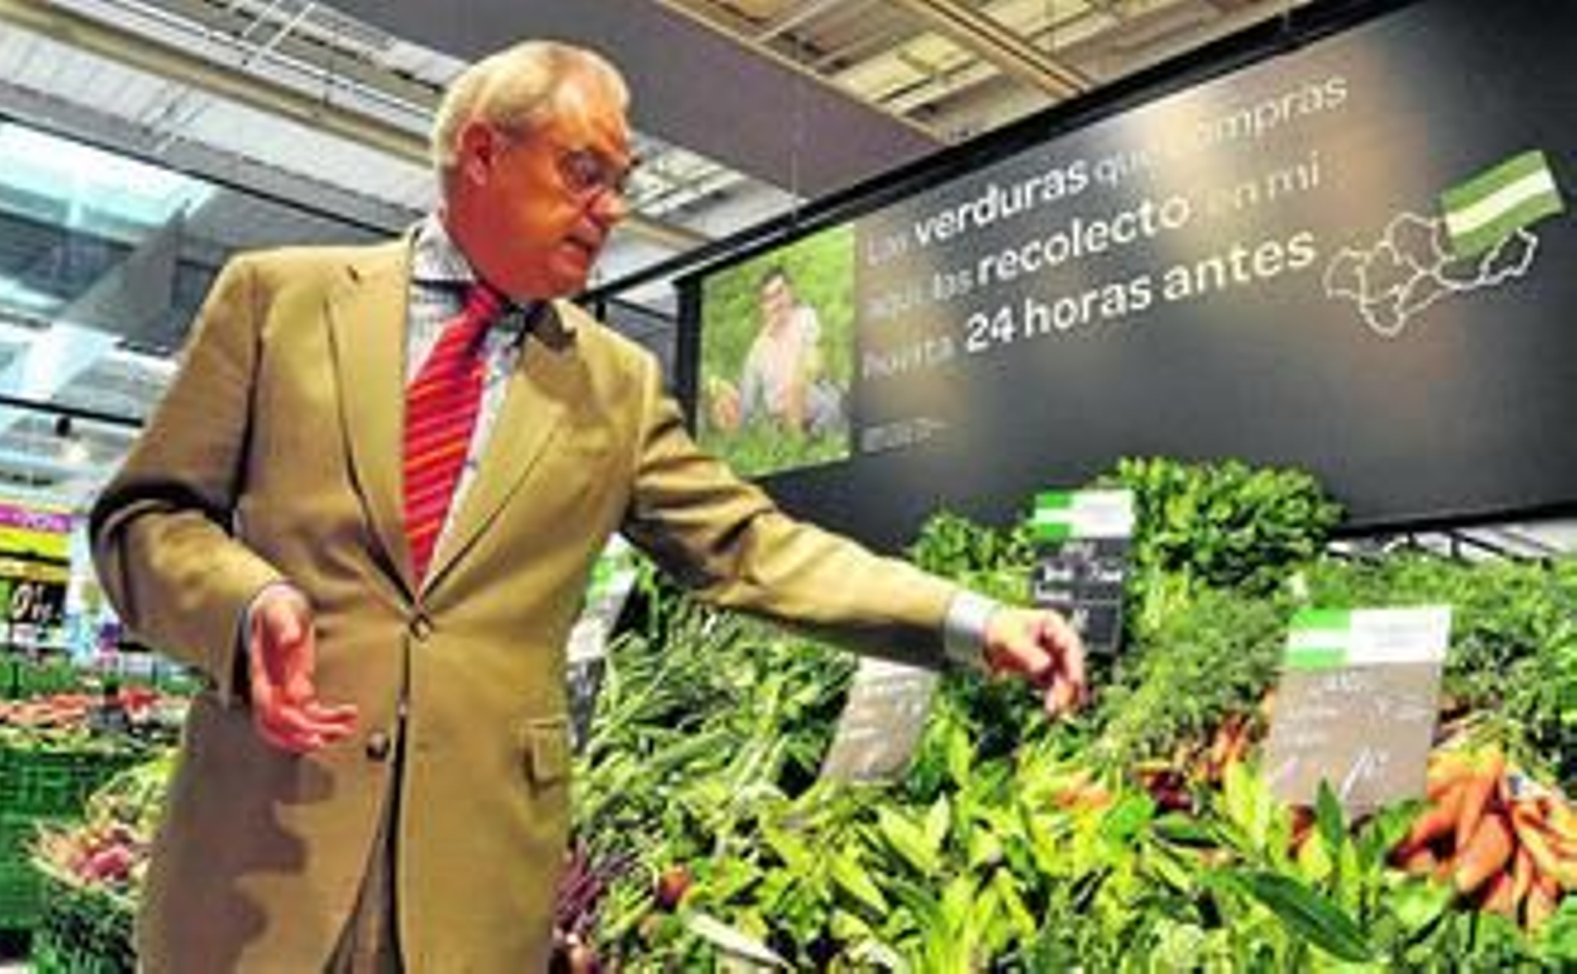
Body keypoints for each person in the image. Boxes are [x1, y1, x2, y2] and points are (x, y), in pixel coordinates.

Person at [89, 40, 1086, 973]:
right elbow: (145, 517)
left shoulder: (613, 382)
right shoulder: (278, 300)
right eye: (585, 172)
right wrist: (244, 603)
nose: (611, 209)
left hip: (474, 885)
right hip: (262, 857)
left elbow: (750, 546)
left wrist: (974, 618)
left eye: (624, 183)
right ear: (483, 152)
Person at [730, 266, 845, 436]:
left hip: (815, 402)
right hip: (781, 419)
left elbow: (815, 363)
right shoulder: (757, 348)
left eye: (780, 293)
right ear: (762, 307)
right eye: (768, 299)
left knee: (827, 401)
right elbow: (747, 403)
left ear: (791, 292)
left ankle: (815, 431)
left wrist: (798, 386)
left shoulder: (805, 317)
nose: (776, 303)